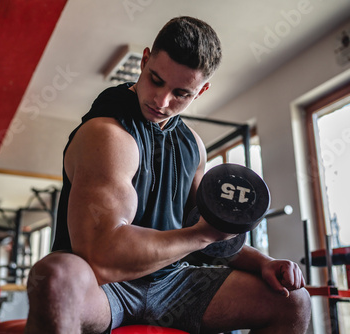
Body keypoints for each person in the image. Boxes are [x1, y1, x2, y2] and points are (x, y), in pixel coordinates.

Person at [25, 16, 311, 334]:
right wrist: (201, 235)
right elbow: (102, 256)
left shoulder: (193, 147)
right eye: (156, 80)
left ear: (201, 90)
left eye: (181, 93)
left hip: (173, 283)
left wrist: (263, 263)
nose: (161, 101)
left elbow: (207, 228)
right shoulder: (107, 134)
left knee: (293, 300)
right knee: (56, 275)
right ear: (145, 60)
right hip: (105, 287)